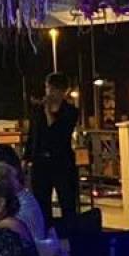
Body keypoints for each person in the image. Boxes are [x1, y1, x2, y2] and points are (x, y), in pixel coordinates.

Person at [24, 72, 80, 228]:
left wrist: (48, 112)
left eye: (53, 89)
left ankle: (70, 233)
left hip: (61, 162)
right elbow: (33, 135)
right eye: (48, 88)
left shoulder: (70, 111)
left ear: (63, 91)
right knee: (41, 203)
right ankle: (45, 233)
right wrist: (26, 158)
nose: (49, 92)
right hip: (40, 162)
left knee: (67, 201)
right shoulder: (38, 110)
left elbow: (58, 133)